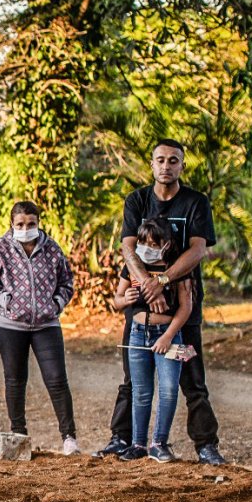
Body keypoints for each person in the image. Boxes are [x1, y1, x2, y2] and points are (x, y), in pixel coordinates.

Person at [94, 139, 225, 465]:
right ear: (152, 164)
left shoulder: (195, 202)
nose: (166, 166)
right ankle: (122, 439)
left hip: (181, 311)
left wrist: (163, 281)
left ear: (182, 165)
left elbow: (197, 249)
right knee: (132, 381)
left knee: (193, 381)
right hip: (140, 312)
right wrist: (145, 285)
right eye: (161, 160)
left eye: (173, 160)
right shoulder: (137, 201)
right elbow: (128, 247)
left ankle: (205, 445)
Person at [0, 201, 79, 455]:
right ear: (12, 224)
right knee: (15, 379)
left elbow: (67, 281)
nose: (25, 228)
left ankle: (69, 438)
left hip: (47, 324)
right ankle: (18, 435)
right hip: (9, 325)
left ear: (38, 223)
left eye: (31, 224)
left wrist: (56, 304)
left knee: (57, 379)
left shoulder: (52, 249)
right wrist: (5, 301)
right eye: (20, 224)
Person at [113, 217, 193, 462]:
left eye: (153, 244)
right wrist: (125, 300)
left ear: (165, 244)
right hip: (137, 334)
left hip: (168, 334)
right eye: (142, 242)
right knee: (141, 391)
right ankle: (138, 443)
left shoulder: (175, 270)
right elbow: (116, 300)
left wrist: (168, 336)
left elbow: (186, 307)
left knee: (168, 390)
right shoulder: (132, 268)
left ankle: (159, 443)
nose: (146, 248)